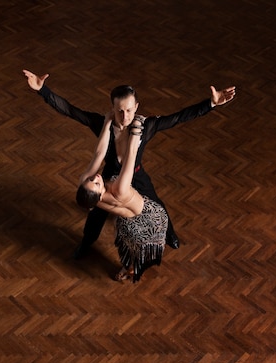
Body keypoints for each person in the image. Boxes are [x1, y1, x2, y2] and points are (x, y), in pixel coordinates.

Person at [23, 69, 236, 259]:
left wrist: (211, 104)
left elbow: (179, 117)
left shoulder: (148, 126)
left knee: (157, 203)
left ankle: (170, 235)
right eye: (120, 111)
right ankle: (86, 244)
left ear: (136, 107)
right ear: (113, 108)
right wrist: (43, 91)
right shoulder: (101, 124)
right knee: (96, 216)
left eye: (129, 110)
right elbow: (70, 110)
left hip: (136, 174)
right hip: (109, 177)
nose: (125, 116)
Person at [76, 113, 166, 282]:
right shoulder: (120, 189)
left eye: (91, 179)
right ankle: (131, 268)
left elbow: (98, 153)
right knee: (133, 245)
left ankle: (129, 266)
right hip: (150, 218)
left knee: (124, 231)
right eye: (96, 184)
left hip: (128, 213)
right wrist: (137, 127)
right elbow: (131, 155)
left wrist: (107, 122)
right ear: (99, 194)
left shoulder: (88, 189)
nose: (95, 177)